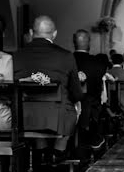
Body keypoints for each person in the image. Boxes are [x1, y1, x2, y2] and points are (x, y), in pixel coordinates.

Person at [13, 15, 84, 163]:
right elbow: (76, 92)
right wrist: (77, 102)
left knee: (36, 110)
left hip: (23, 116)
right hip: (57, 118)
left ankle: (42, 150)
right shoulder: (66, 56)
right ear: (55, 34)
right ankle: (59, 151)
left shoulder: (16, 55)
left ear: (32, 33)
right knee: (71, 108)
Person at [73, 29, 108, 150]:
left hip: (67, 105)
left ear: (74, 42)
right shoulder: (97, 63)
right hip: (89, 108)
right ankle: (94, 137)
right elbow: (98, 87)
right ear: (89, 43)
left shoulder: (67, 59)